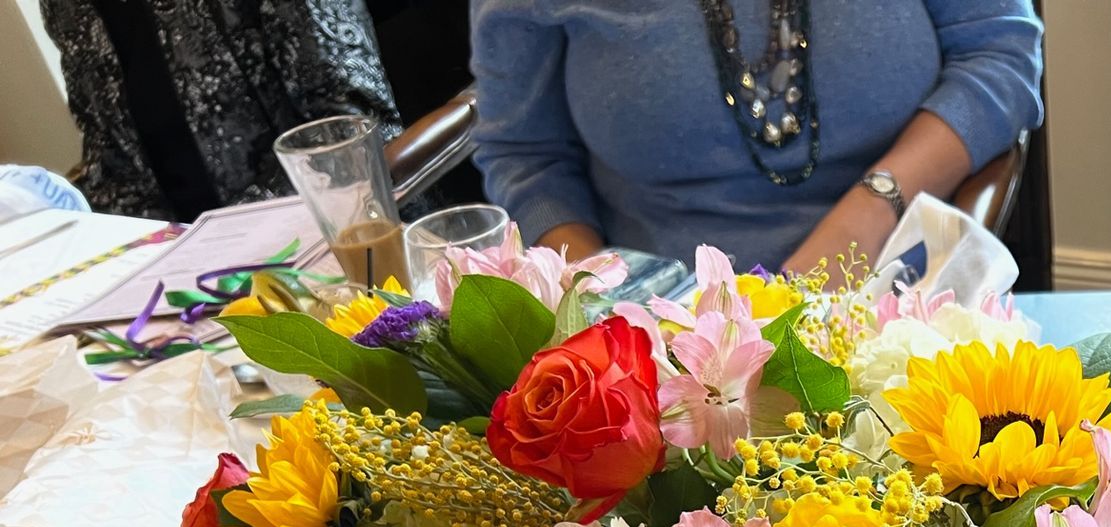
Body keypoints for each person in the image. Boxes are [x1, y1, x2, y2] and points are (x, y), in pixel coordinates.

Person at [468, 0, 1043, 273]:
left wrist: (867, 217)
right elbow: (527, 150)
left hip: (901, 289)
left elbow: (1000, 59)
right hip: (650, 329)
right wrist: (596, 294)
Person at [39, 0, 398, 221]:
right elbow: (109, 156)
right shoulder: (65, 7)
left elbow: (347, 128)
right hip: (186, 270)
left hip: (326, 230)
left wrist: (224, 234)